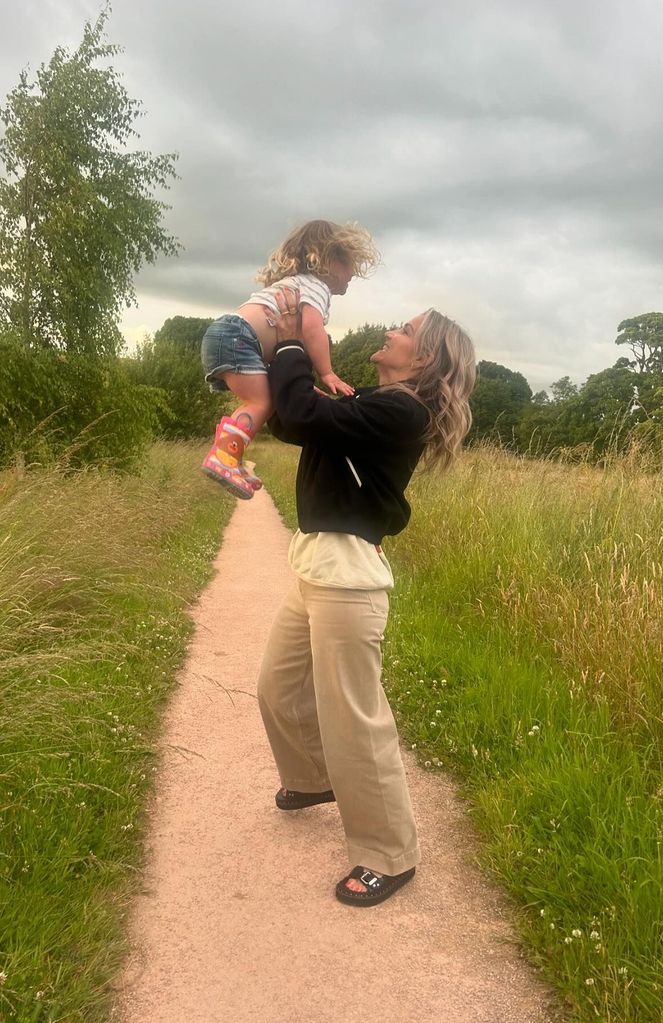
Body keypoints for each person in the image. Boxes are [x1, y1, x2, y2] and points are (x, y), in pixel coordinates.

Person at [257, 291, 477, 906]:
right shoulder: (371, 404)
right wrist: (282, 355)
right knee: (277, 687)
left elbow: (301, 414)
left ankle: (389, 854)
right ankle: (311, 779)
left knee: (354, 717)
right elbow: (288, 418)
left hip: (348, 580)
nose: (390, 330)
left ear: (427, 357)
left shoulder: (402, 413)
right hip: (316, 567)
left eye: (404, 329)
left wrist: (302, 343)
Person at [200, 220, 379, 499]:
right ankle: (224, 457)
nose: (352, 273)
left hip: (227, 336)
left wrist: (303, 384)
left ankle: (231, 457)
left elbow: (290, 346)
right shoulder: (316, 287)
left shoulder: (296, 284)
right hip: (239, 338)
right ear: (327, 260)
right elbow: (311, 330)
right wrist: (327, 372)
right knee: (261, 402)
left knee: (263, 400)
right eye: (348, 263)